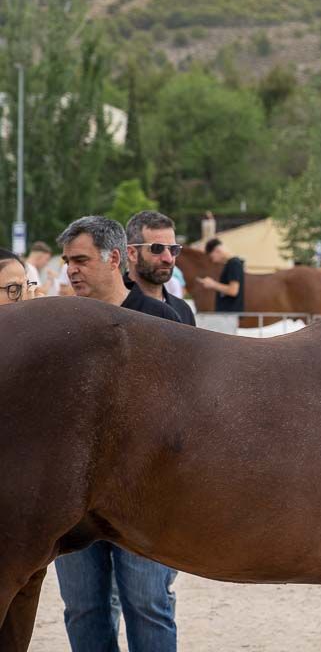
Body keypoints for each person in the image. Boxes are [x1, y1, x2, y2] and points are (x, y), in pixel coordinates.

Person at [53, 215, 181, 652]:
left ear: (113, 259)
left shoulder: (162, 320)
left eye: (81, 260)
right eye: (68, 260)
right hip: (75, 498)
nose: (71, 269)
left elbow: (183, 414)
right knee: (82, 607)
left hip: (144, 494)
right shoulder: (61, 325)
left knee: (148, 605)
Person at [125, 210, 196, 326]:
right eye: (157, 249)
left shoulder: (183, 310)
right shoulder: (114, 303)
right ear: (132, 253)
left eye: (173, 249)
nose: (168, 259)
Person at [199, 238, 245, 313]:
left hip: (229, 315)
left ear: (217, 250)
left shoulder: (234, 264)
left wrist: (212, 284)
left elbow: (233, 291)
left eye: (212, 257)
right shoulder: (231, 264)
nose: (213, 260)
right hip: (228, 315)